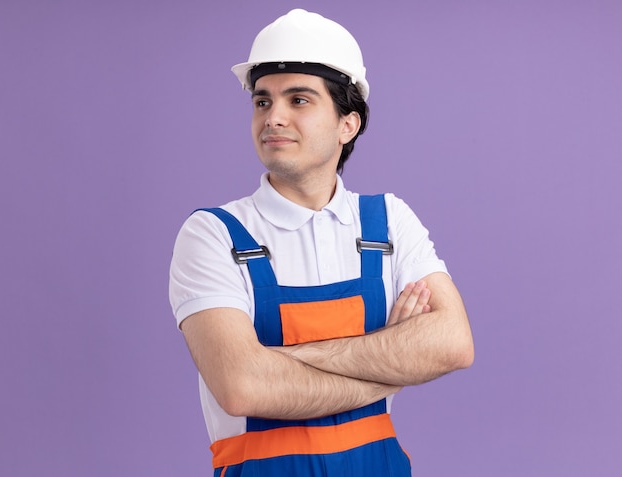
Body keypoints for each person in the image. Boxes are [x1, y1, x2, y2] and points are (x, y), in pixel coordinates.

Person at [169, 8, 474, 476]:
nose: (274, 118)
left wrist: (284, 363)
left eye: (299, 100)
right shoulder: (213, 233)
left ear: (347, 125)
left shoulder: (389, 221)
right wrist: (393, 359)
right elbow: (241, 388)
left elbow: (453, 344)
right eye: (263, 101)